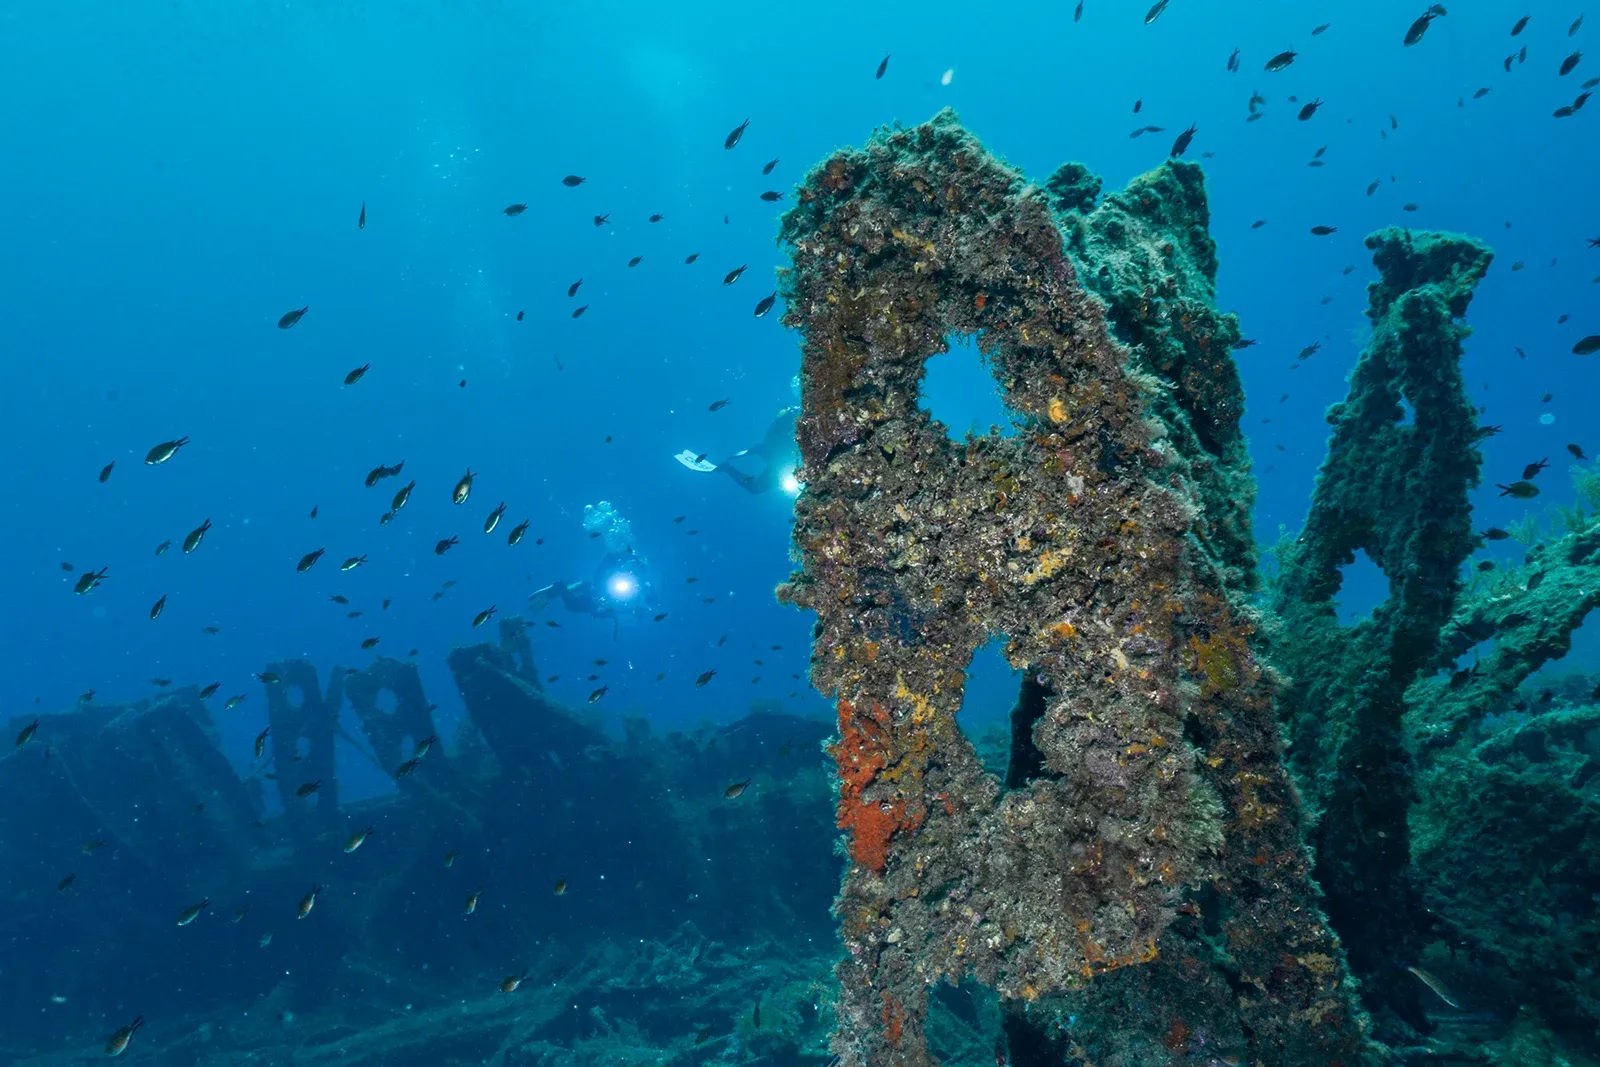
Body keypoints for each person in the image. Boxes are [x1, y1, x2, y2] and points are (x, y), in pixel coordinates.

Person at [527, 502, 661, 622]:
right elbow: (601, 575)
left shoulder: (645, 586)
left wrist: (645, 609)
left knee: (573, 603)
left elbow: (653, 605)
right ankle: (559, 588)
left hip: (604, 599)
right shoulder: (626, 570)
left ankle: (561, 588)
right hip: (599, 591)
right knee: (575, 601)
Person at [675, 404, 801, 496]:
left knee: (758, 486)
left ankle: (729, 466)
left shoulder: (777, 464)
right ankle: (732, 464)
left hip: (782, 451)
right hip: (783, 449)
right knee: (759, 484)